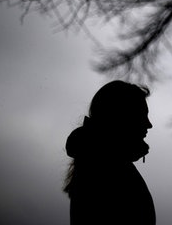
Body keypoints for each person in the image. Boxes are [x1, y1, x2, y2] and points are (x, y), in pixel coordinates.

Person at [63, 80, 156, 225]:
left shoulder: (101, 162)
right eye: (142, 114)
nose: (149, 124)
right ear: (122, 117)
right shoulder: (106, 168)